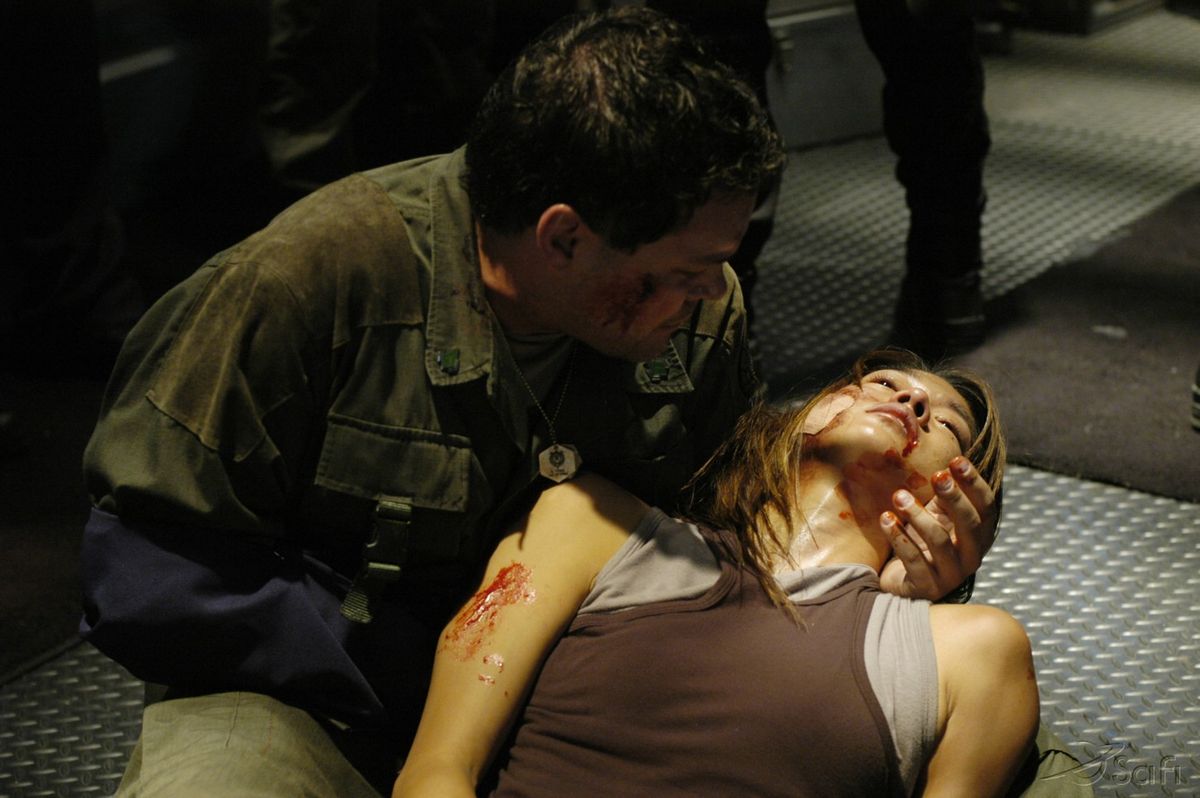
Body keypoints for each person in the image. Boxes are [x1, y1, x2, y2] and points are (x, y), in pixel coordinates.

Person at [79, 9, 995, 795]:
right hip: (313, 700)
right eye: (684, 272)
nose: (712, 295)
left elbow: (724, 534)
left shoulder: (699, 316)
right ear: (563, 239)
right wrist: (417, 671)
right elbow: (148, 568)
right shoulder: (310, 283)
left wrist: (896, 583)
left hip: (579, 691)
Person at [393, 348, 1036, 797]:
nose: (910, 400)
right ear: (806, 412)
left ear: (960, 502)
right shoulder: (589, 523)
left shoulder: (971, 652)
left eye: (946, 424)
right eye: (881, 383)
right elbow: (436, 771)